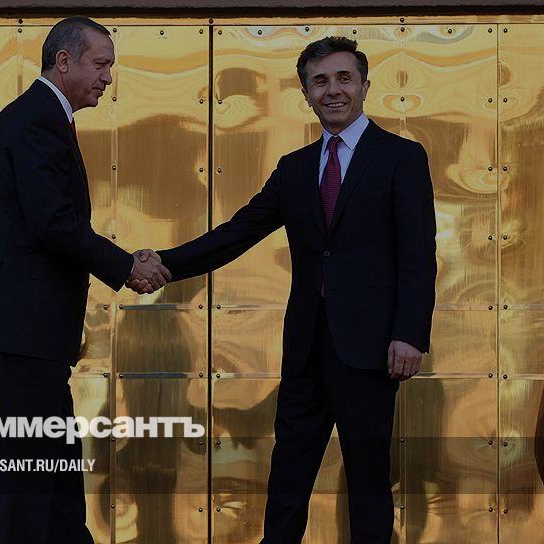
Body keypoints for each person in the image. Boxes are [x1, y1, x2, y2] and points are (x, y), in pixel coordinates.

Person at [147, 36, 437, 543]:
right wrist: (164, 264)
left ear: (365, 86)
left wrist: (409, 334)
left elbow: (418, 254)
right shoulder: (295, 168)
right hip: (306, 346)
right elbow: (238, 233)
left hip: (370, 348)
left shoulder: (401, 158)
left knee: (368, 476)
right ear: (306, 93)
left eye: (344, 78)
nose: (333, 91)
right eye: (319, 82)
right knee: (289, 473)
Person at [0, 16, 170, 543]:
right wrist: (126, 267)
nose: (108, 78)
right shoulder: (37, 121)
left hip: (29, 327)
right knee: (32, 466)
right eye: (101, 64)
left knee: (57, 460)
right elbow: (54, 222)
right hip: (20, 325)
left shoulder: (43, 116)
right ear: (64, 61)